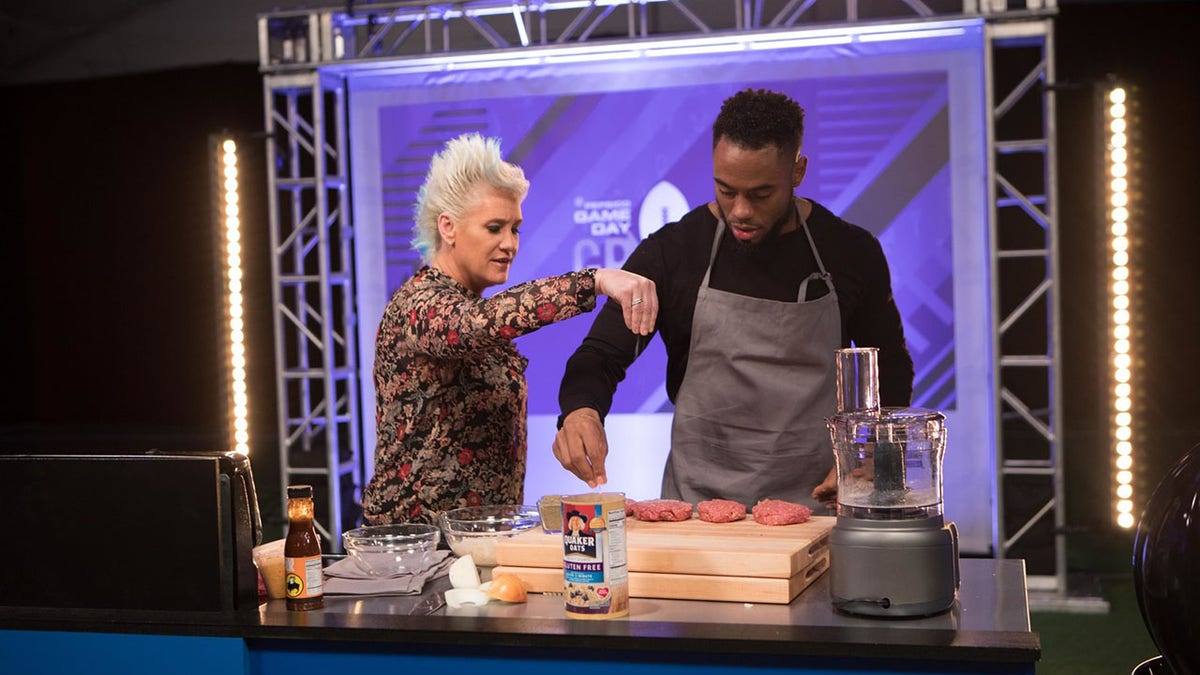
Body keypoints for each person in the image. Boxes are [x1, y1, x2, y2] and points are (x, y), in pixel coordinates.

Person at [554, 88, 914, 510]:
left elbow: (890, 363)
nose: (741, 210)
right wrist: (580, 410)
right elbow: (600, 354)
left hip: (817, 505)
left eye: (761, 194)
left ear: (797, 171)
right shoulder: (673, 252)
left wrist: (872, 449)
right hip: (697, 512)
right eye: (726, 190)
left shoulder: (851, 252)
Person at [362, 133, 657, 525]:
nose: (510, 244)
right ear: (447, 227)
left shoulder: (468, 302)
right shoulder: (418, 306)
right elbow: (475, 326)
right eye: (494, 228)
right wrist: (596, 280)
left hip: (475, 544)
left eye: (515, 228)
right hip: (416, 554)